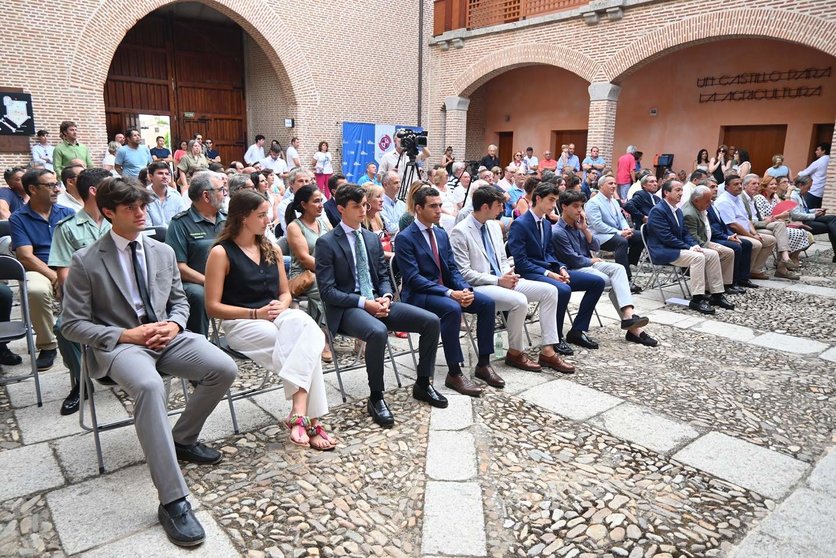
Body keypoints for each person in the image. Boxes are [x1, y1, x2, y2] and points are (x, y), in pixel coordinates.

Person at [62, 177, 237, 546]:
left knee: (223, 367)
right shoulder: (86, 260)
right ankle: (173, 500)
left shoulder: (160, 251)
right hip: (120, 344)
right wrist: (126, 335)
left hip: (166, 336)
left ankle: (181, 439)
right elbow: (71, 324)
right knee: (148, 385)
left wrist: (174, 324)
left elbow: (179, 301)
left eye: (143, 206)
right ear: (108, 212)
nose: (142, 213)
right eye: (131, 209)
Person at [204, 188, 334, 451]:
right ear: (243, 217)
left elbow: (285, 293)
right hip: (242, 322)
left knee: (307, 328)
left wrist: (281, 304)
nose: (268, 221)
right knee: (302, 346)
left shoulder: (271, 248)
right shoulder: (221, 253)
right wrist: (255, 313)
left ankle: (298, 410)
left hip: (275, 315)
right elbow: (212, 307)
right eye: (262, 215)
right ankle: (311, 419)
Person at [316, 184, 445, 425]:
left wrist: (386, 296)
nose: (363, 211)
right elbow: (328, 291)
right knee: (377, 332)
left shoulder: (371, 238)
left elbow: (384, 276)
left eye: (365, 205)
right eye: (357, 207)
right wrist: (365, 303)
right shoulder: (327, 243)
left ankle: (423, 383)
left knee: (431, 321)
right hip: (347, 308)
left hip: (377, 301)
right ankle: (376, 397)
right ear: (341, 209)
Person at [451, 186, 574, 373]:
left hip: (502, 279)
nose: (502, 210)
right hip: (480, 285)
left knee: (551, 291)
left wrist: (509, 274)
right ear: (485, 207)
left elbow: (501, 259)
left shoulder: (493, 226)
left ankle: (548, 350)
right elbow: (464, 273)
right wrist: (499, 280)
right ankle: (515, 352)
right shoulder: (460, 231)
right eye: (499, 206)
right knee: (519, 301)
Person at [395, 187, 497, 398]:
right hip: (418, 295)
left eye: (440, 205)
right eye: (433, 206)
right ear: (418, 208)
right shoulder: (405, 238)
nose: (439, 210)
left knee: (486, 303)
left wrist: (465, 289)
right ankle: (454, 372)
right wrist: (450, 293)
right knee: (451, 308)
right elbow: (413, 279)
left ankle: (484, 363)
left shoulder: (441, 234)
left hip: (445, 291)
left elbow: (452, 269)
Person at [508, 182, 605, 355]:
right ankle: (555, 338)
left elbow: (550, 253)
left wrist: (561, 268)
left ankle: (577, 330)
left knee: (597, 282)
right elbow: (521, 262)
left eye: (555, 201)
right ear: (538, 199)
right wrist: (548, 273)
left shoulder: (546, 224)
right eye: (551, 200)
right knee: (563, 289)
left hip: (550, 270)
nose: (554, 205)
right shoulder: (520, 224)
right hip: (530, 272)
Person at [553, 190, 658, 347]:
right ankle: (633, 329)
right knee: (611, 281)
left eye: (581, 207)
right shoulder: (558, 231)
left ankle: (629, 317)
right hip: (572, 269)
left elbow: (595, 245)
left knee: (619, 270)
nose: (579, 210)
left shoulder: (578, 226)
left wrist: (584, 229)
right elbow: (573, 260)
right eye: (575, 206)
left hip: (588, 264)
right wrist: (591, 260)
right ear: (564, 207)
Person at [48, 168, 113, 415]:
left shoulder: (119, 221)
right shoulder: (67, 228)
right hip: (86, 299)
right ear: (95, 191)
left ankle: (121, 367)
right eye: (111, 186)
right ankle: (81, 380)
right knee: (63, 327)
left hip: (122, 297)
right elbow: (64, 275)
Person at [10, 169, 76, 370]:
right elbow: (25, 255)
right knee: (35, 290)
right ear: (32, 189)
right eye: (50, 185)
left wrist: (65, 274)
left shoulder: (68, 213)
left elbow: (78, 247)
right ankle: (47, 345)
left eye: (57, 184)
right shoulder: (18, 218)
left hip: (69, 266)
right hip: (40, 269)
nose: (57, 189)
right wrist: (56, 277)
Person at [645, 180, 733, 314]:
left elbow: (685, 233)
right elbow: (666, 237)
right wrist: (689, 247)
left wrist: (695, 245)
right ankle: (697, 299)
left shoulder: (678, 211)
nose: (681, 193)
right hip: (663, 251)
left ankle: (716, 294)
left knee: (712, 253)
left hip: (678, 248)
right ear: (666, 192)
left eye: (681, 190)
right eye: (677, 190)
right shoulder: (657, 211)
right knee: (698, 257)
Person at [166, 171, 228, 336]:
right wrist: (210, 282)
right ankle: (199, 342)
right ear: (206, 196)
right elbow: (179, 267)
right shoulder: (180, 223)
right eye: (221, 190)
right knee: (199, 295)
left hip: (230, 279)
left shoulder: (229, 220)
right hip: (197, 282)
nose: (224, 194)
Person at [284, 184, 333, 361]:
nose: (321, 205)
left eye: (322, 201)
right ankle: (323, 338)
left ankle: (354, 333)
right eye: (316, 201)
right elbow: (304, 258)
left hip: (326, 271)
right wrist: (330, 271)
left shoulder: (324, 222)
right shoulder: (294, 227)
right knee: (325, 290)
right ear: (304, 205)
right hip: (305, 274)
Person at [585, 175, 643, 292]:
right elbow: (598, 225)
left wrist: (627, 229)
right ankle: (626, 279)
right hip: (599, 236)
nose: (614, 186)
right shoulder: (593, 202)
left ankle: (628, 263)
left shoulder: (614, 201)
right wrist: (620, 232)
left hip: (616, 233)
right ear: (601, 186)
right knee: (621, 242)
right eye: (610, 183)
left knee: (640, 236)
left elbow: (621, 219)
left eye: (615, 183)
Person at [715, 174, 778, 280]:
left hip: (747, 231)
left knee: (770, 240)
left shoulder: (738, 198)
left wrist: (755, 233)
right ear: (727, 187)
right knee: (756, 243)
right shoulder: (724, 201)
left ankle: (754, 270)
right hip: (734, 233)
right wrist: (752, 237)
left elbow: (747, 219)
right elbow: (733, 225)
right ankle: (744, 274)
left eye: (740, 183)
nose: (739, 186)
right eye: (736, 184)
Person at [682, 186, 742, 295]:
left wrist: (727, 237)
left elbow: (708, 227)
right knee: (716, 253)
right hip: (699, 243)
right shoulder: (689, 214)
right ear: (696, 200)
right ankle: (709, 287)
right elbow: (693, 237)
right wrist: (707, 247)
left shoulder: (700, 207)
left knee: (729, 252)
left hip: (706, 239)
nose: (710, 203)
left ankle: (724, 284)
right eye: (707, 201)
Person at [744, 174, 803, 279]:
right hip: (761, 225)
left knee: (794, 232)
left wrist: (776, 198)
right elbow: (760, 218)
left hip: (770, 224)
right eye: (771, 184)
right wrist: (778, 217)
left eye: (776, 184)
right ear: (765, 186)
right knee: (781, 230)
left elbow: (784, 208)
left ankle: (783, 265)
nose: (774, 186)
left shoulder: (770, 198)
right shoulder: (758, 198)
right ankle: (784, 262)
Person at [790, 175, 836, 262]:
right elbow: (795, 215)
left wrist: (815, 211)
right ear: (800, 185)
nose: (809, 190)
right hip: (801, 222)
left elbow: (804, 210)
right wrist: (814, 215)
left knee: (833, 219)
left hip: (807, 218)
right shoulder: (794, 196)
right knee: (831, 226)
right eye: (808, 187)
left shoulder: (800, 194)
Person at [146, 161, 186, 227]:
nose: (164, 177)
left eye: (167, 174)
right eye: (160, 173)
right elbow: (147, 227)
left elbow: (183, 219)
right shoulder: (144, 196)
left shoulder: (175, 195)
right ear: (151, 176)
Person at [797, 143, 830, 209]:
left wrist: (792, 180)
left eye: (818, 150)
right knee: (816, 212)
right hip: (822, 192)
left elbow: (804, 173)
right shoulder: (830, 160)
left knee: (806, 210)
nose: (816, 152)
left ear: (823, 151)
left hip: (814, 190)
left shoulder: (819, 162)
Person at [379, 171, 406, 235]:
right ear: (385, 185)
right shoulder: (380, 204)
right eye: (395, 183)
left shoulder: (402, 204)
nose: (399, 186)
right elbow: (390, 229)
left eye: (399, 182)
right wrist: (405, 225)